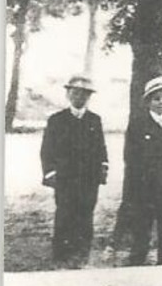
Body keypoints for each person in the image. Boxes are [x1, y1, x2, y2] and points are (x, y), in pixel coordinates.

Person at [39, 75, 109, 267]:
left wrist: (102, 168)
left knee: (86, 213)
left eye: (85, 94)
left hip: (89, 178)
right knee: (65, 213)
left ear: (89, 97)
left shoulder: (95, 120)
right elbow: (47, 150)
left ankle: (81, 252)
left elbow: (101, 148)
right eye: (75, 92)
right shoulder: (57, 120)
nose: (80, 97)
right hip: (65, 178)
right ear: (68, 94)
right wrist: (50, 172)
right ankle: (61, 253)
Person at [120, 76, 162, 266]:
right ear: (148, 101)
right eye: (156, 98)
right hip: (145, 188)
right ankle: (137, 268)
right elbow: (131, 159)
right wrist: (140, 184)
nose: (161, 102)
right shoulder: (138, 125)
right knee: (142, 231)